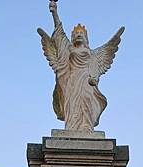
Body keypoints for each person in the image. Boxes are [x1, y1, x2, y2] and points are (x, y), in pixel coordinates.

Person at [38, 0, 125, 132]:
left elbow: (94, 66)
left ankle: (86, 126)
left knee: (86, 100)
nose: (79, 35)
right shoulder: (69, 49)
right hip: (72, 79)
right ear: (73, 37)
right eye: (76, 34)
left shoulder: (92, 54)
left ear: (86, 38)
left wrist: (94, 78)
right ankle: (72, 127)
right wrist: (54, 12)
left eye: (81, 34)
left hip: (86, 80)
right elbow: (60, 35)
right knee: (72, 103)